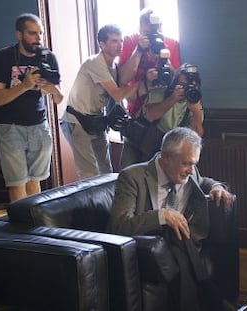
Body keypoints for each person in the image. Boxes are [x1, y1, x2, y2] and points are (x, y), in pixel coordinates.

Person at [110, 127, 235, 311]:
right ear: (166, 158)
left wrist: (217, 187)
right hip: (150, 243)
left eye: (194, 164)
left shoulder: (188, 169)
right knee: (177, 250)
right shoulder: (132, 177)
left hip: (182, 240)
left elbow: (202, 181)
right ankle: (214, 300)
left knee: (179, 248)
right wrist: (162, 215)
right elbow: (118, 225)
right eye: (186, 164)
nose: (191, 170)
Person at [0, 13, 64, 202]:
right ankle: (22, 228)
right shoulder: (3, 58)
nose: (38, 39)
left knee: (35, 181)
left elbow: (59, 99)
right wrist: (24, 86)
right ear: (19, 35)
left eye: (40, 33)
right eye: (32, 34)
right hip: (10, 126)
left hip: (39, 125)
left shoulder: (48, 57)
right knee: (17, 182)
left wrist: (51, 88)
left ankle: (34, 227)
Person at [61, 24, 151, 179]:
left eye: (121, 41)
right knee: (89, 173)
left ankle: (107, 203)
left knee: (105, 171)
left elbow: (124, 87)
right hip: (77, 120)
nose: (120, 45)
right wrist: (142, 83)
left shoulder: (113, 67)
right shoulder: (95, 63)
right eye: (114, 41)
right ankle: (90, 204)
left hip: (96, 120)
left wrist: (147, 85)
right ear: (102, 44)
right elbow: (117, 94)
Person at [119, 63, 204, 169]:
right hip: (137, 143)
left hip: (164, 149)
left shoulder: (194, 102)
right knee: (128, 179)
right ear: (174, 83)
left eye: (191, 86)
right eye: (182, 84)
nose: (186, 89)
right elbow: (150, 116)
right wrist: (172, 99)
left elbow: (196, 138)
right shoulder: (159, 92)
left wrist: (196, 112)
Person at [118, 7, 181, 118]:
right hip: (137, 110)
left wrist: (164, 56)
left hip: (166, 111)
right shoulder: (131, 41)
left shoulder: (172, 44)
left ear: (161, 29)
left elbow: (179, 81)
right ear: (140, 29)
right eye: (147, 33)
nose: (152, 38)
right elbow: (122, 79)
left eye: (156, 32)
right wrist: (139, 50)